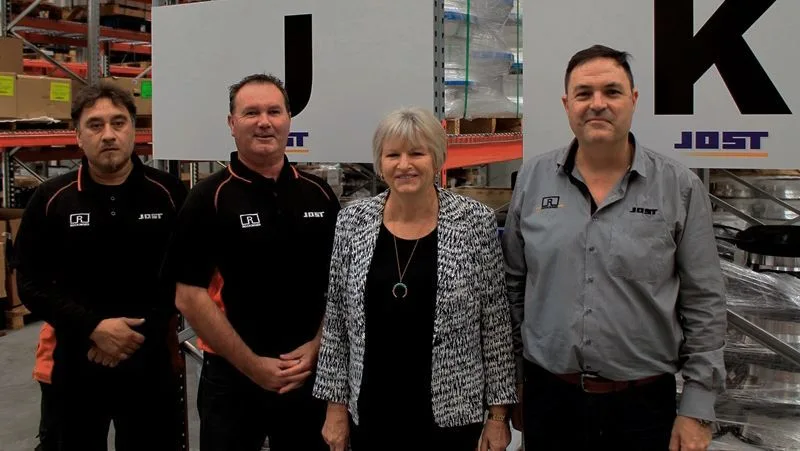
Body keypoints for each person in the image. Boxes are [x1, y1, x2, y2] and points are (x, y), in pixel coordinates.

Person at [503, 44, 727, 451]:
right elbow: (513, 288)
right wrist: (514, 383)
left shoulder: (679, 187)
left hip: (643, 409)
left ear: (634, 100)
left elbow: (704, 302)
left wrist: (697, 407)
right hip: (549, 400)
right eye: (584, 94)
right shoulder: (532, 179)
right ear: (567, 104)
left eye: (612, 91)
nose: (597, 104)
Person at [313, 107, 517, 451]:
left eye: (416, 153)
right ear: (380, 162)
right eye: (393, 154)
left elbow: (495, 325)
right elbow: (336, 322)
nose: (404, 165)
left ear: (437, 158)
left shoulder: (474, 222)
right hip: (373, 410)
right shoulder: (352, 222)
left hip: (451, 414)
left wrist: (498, 417)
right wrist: (336, 407)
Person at [162, 73, 340, 451]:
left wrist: (317, 347)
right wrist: (252, 365)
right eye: (251, 112)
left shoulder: (319, 195)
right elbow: (188, 296)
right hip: (233, 379)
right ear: (231, 124)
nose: (264, 121)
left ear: (289, 119)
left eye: (274, 111)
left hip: (309, 375)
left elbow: (342, 285)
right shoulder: (208, 198)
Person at [13, 82, 188, 450]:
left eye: (118, 123)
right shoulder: (51, 200)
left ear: (134, 131)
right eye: (95, 125)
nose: (108, 135)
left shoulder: (170, 194)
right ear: (77, 135)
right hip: (75, 366)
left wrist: (130, 337)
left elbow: (186, 275)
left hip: (151, 363)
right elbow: (31, 283)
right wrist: (93, 328)